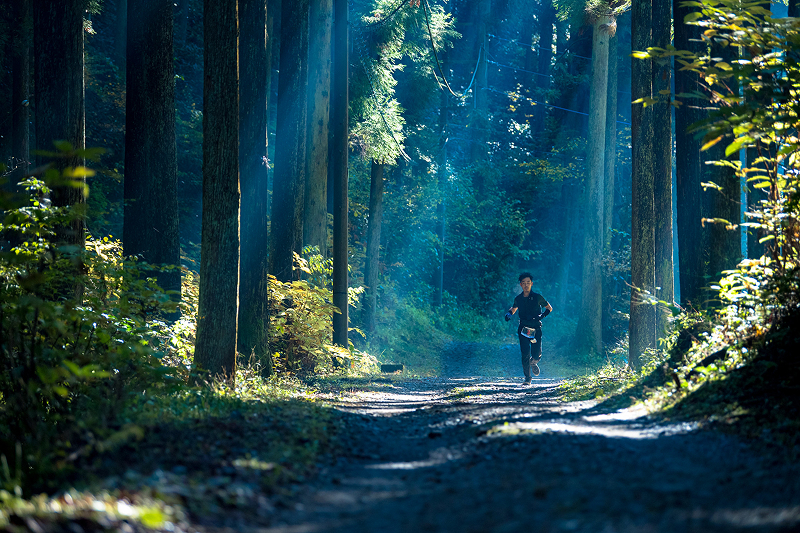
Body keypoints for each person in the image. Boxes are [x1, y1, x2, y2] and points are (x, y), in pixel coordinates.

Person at [504, 272, 553, 385]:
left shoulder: (537, 297)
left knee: (537, 353)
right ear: (520, 284)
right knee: (525, 352)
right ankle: (527, 378)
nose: (526, 285)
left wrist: (542, 316)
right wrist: (509, 314)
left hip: (536, 328)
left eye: (528, 283)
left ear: (532, 284)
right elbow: (514, 308)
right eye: (524, 283)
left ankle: (534, 362)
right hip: (523, 329)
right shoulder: (518, 298)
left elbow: (549, 308)